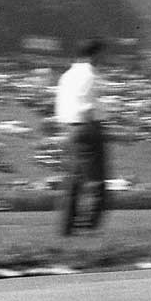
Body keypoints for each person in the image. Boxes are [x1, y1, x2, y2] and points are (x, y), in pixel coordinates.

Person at [55, 39, 108, 235]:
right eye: (101, 55)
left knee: (74, 181)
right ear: (94, 55)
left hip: (70, 129)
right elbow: (88, 106)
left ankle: (67, 227)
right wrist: (93, 127)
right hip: (88, 127)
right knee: (97, 180)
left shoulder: (66, 75)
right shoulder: (90, 74)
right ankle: (89, 224)